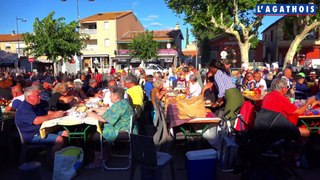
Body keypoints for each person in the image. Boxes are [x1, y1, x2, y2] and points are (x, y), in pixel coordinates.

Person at [86, 87, 134, 168]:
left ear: (116, 97)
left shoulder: (120, 106)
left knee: (93, 136)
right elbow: (109, 111)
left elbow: (105, 119)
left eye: (110, 95)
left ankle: (97, 161)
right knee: (96, 130)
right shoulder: (122, 103)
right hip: (124, 128)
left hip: (122, 131)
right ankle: (104, 155)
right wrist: (94, 109)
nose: (109, 97)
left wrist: (93, 115)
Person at [15, 86, 67, 157]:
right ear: (28, 97)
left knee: (66, 133)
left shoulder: (36, 105)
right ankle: (52, 162)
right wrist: (54, 115)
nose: (40, 97)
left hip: (44, 130)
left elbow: (46, 113)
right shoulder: (24, 108)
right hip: (32, 136)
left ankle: (64, 157)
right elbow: (36, 121)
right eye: (37, 96)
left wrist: (59, 113)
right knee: (59, 140)